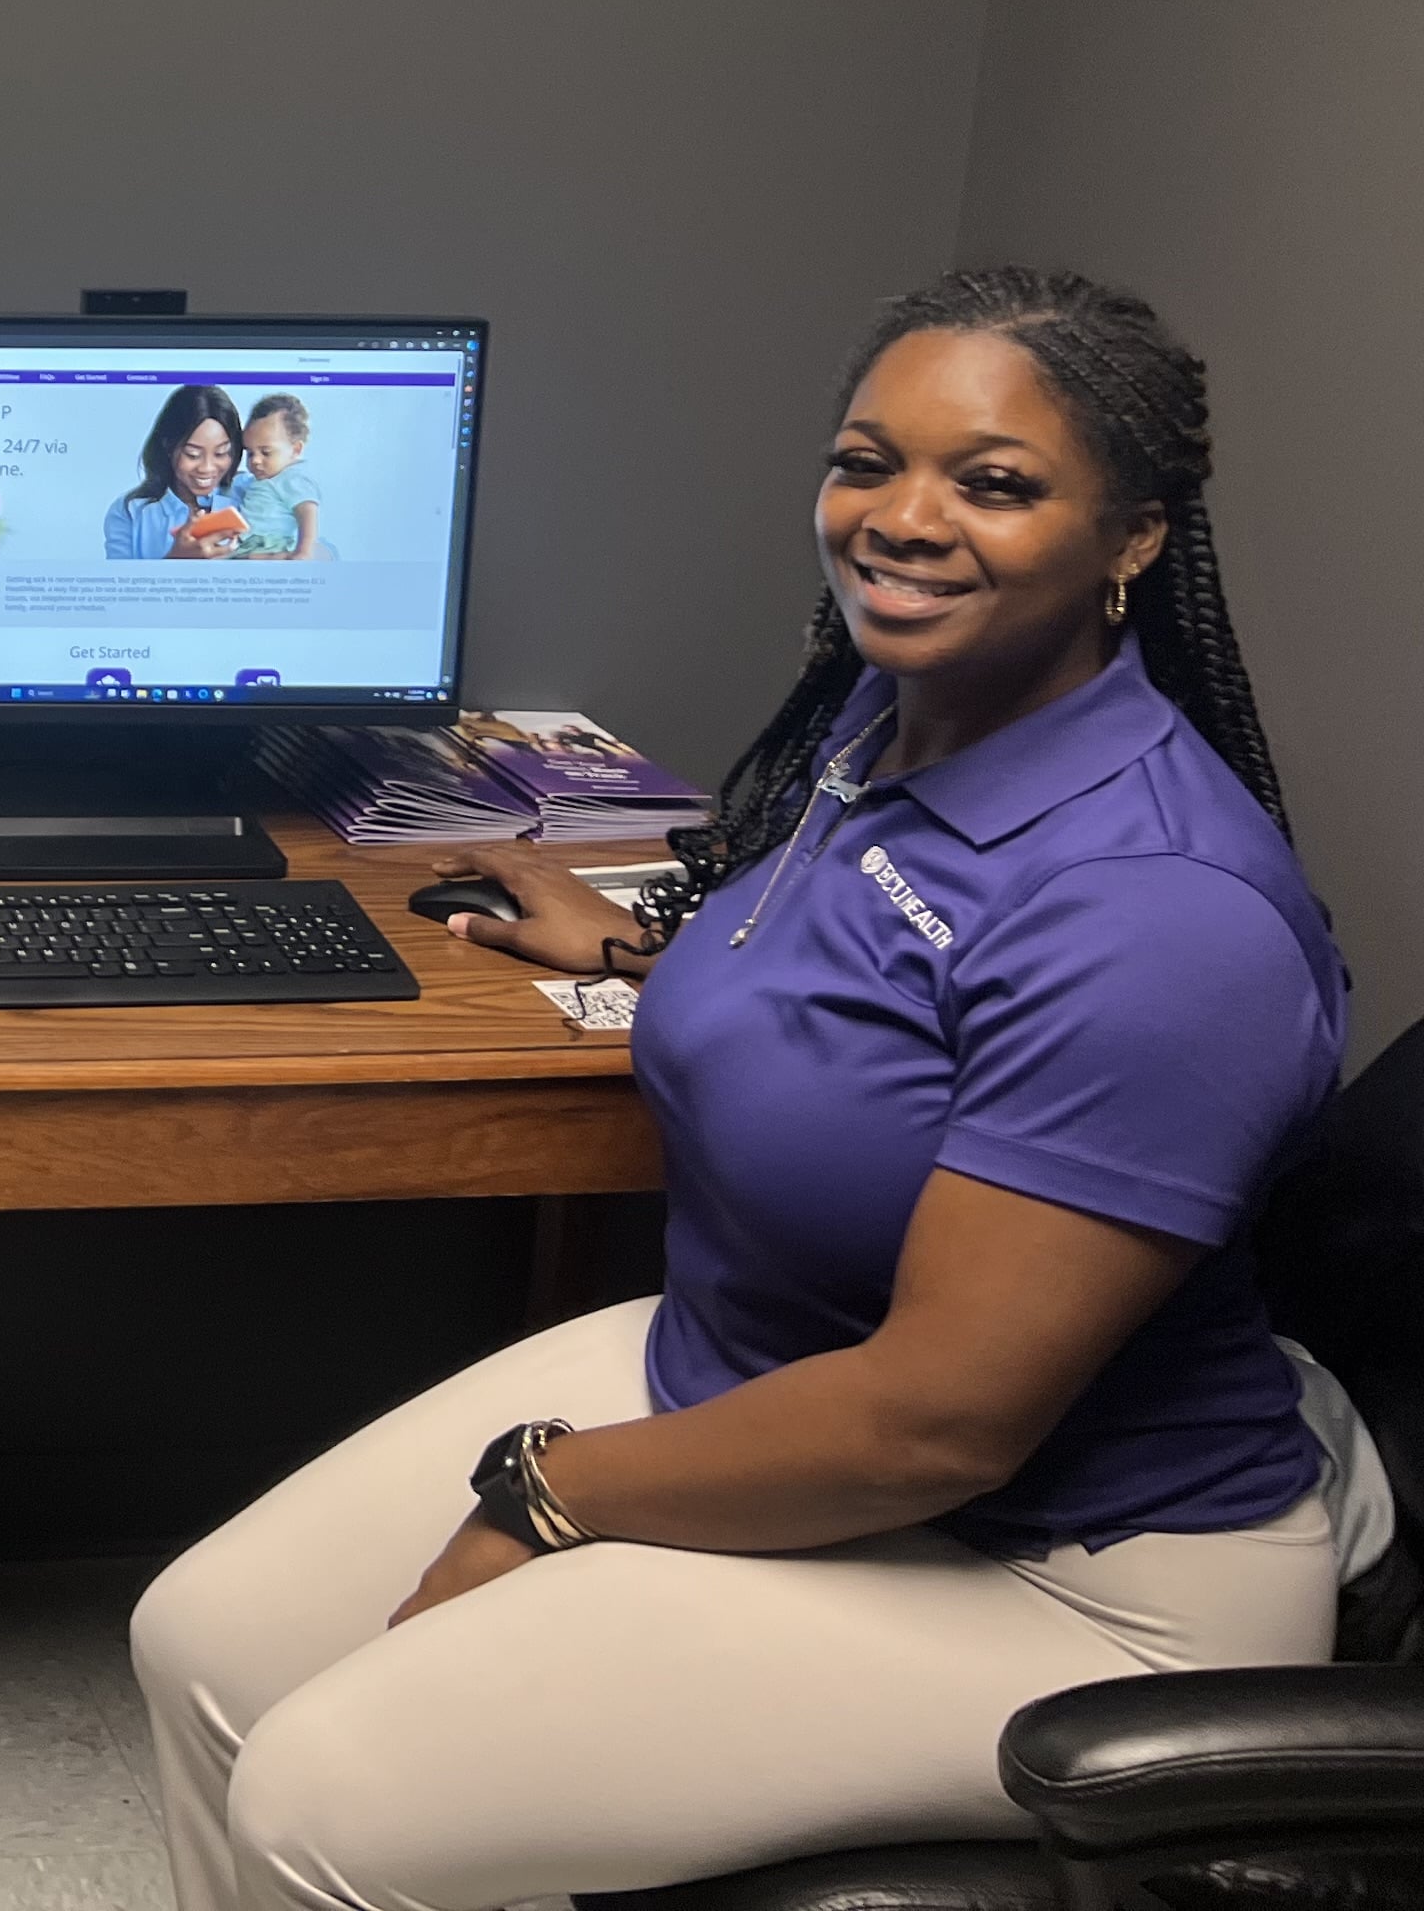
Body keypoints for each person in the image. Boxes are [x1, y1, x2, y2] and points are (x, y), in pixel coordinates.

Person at [133, 268, 1347, 1911]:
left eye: (991, 480)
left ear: (1129, 535)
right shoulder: (893, 714)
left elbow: (936, 1420)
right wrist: (644, 949)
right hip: (753, 1372)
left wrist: (546, 1491)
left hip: (1061, 1568)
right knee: (200, 1642)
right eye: (866, 460)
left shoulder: (1164, 911)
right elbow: (879, 1001)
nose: (900, 520)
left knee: (327, 1799)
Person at [102, 381, 249, 557]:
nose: (207, 468)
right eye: (192, 454)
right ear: (168, 446)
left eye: (221, 453)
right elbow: (117, 582)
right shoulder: (130, 512)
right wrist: (176, 560)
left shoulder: (251, 491)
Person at [231, 393, 323, 559]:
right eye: (250, 453)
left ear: (295, 450)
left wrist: (304, 551)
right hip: (247, 544)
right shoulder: (260, 480)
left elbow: (307, 514)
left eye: (266, 452)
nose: (256, 460)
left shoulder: (293, 479)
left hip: (272, 544)